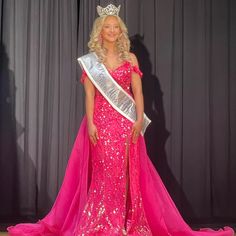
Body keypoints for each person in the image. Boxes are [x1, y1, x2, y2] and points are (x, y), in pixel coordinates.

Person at [7, 4, 234, 236]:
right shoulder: (92, 61)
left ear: (120, 30)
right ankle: (102, 220)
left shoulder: (131, 58)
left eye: (116, 27)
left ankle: (125, 222)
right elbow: (89, 95)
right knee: (104, 172)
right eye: (108, 27)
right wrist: (92, 123)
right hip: (101, 123)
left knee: (126, 172)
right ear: (100, 31)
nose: (113, 30)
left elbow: (138, 92)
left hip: (126, 123)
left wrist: (137, 120)